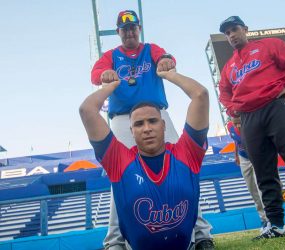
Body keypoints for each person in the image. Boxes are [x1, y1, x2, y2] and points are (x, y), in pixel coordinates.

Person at [91, 10, 213, 249]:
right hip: (124, 119)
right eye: (124, 29)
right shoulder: (111, 55)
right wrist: (103, 74)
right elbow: (96, 74)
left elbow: (166, 57)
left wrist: (168, 61)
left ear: (139, 29)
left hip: (155, 115)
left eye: (133, 27)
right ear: (118, 32)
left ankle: (201, 234)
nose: (129, 32)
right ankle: (114, 241)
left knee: (185, 168)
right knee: (121, 178)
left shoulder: (151, 49)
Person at [218, 16, 285, 239]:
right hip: (249, 119)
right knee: (264, 173)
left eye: (234, 30)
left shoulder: (269, 45)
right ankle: (276, 225)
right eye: (227, 33)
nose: (231, 35)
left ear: (245, 29)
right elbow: (224, 93)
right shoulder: (229, 66)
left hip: (274, 108)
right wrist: (234, 110)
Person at [80, 68, 210, 250]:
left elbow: (201, 95)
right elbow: (87, 110)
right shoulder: (118, 160)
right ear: (131, 131)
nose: (147, 128)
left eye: (153, 121)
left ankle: (204, 238)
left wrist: (169, 74)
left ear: (163, 125)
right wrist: (111, 87)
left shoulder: (187, 153)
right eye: (139, 124)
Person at [226, 120, 269, 232]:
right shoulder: (230, 125)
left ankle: (270, 219)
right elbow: (236, 141)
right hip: (243, 157)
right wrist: (236, 155)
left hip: (256, 154)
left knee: (261, 189)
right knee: (252, 190)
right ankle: (264, 220)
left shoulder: (250, 120)